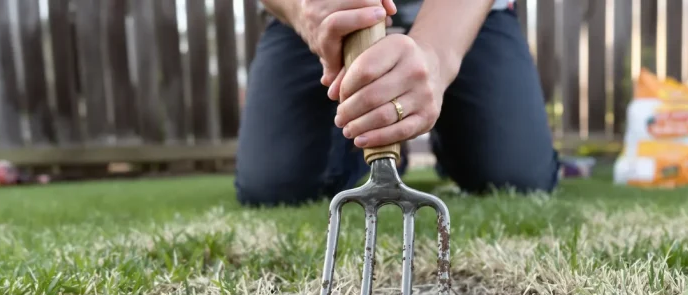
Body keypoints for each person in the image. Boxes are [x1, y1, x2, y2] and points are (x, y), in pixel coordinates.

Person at [234, 0, 560, 207]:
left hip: (467, 12)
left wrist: (437, 54)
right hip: (323, 12)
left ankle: (455, 141)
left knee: (516, 177)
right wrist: (298, 9)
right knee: (273, 187)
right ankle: (375, 148)